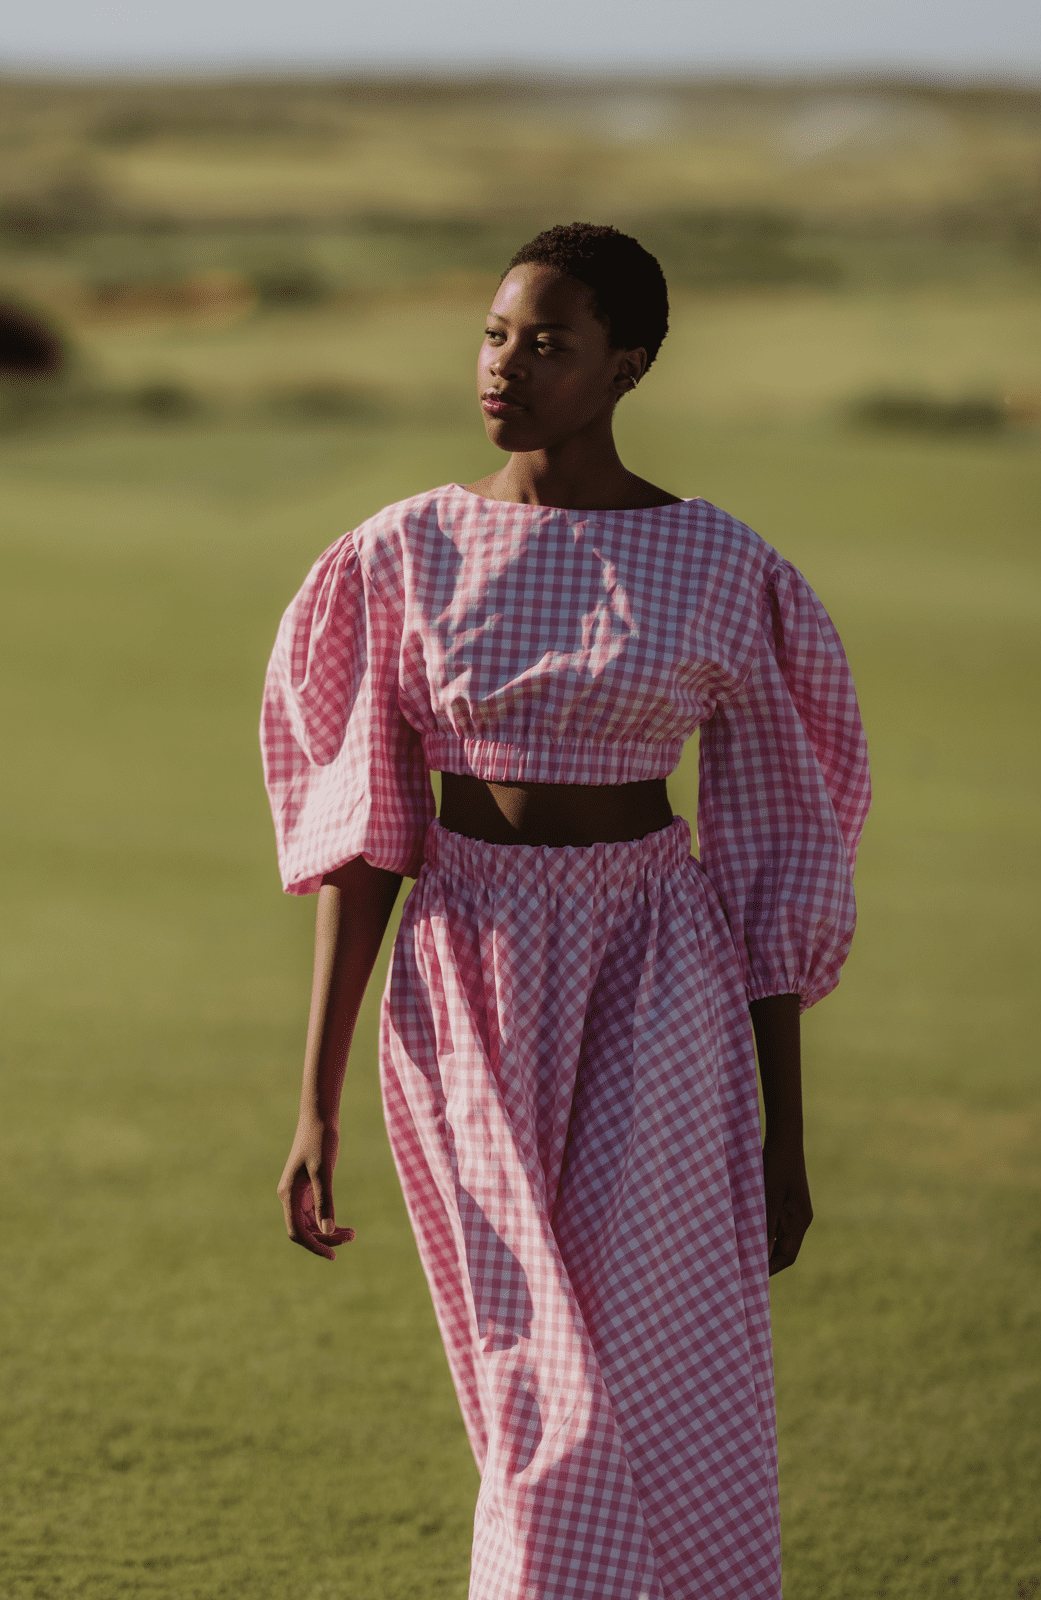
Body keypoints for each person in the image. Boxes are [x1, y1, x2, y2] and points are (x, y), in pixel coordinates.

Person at [261, 222, 870, 1600]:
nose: (506, 367)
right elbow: (367, 843)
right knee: (533, 1383)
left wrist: (785, 1130)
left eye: (546, 343)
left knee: (645, 1371)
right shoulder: (402, 550)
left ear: (625, 365)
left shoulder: (721, 564)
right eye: (493, 336)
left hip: (662, 977)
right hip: (463, 977)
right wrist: (315, 1098)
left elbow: (773, 847)